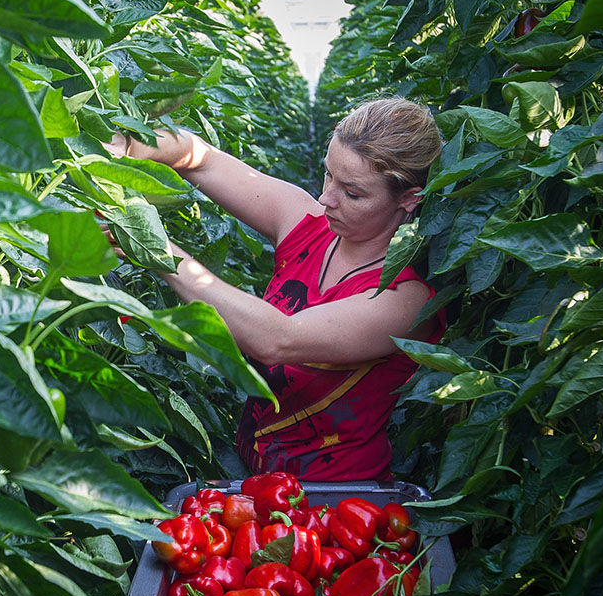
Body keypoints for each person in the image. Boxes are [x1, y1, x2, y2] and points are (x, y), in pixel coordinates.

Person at [106, 97, 446, 482]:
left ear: (408, 200)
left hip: (339, 502)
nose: (326, 199)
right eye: (328, 176)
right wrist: (126, 145)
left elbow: (276, 339)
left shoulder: (407, 299)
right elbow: (199, 158)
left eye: (352, 193)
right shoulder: (308, 223)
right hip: (256, 479)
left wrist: (157, 249)